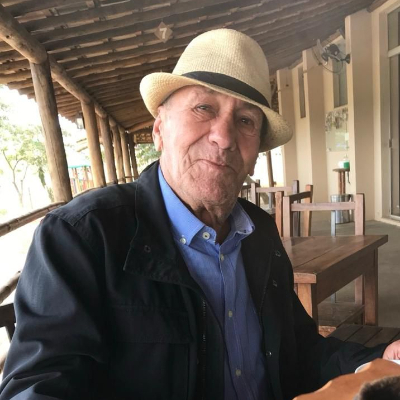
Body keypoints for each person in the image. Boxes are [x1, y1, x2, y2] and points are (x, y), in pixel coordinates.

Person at [0, 28, 399, 400]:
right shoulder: (82, 237)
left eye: (245, 121)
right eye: (204, 108)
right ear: (159, 130)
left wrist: (377, 360)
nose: (223, 137)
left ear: (255, 153)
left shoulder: (259, 231)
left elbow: (298, 350)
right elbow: (39, 387)